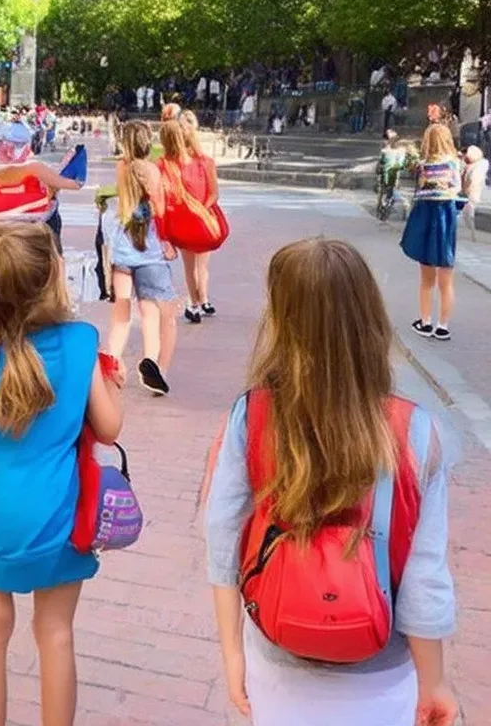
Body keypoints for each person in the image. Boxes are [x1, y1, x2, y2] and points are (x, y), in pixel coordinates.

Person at [204, 238, 456, 726]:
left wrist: (232, 652)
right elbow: (426, 577)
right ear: (370, 318)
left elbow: (222, 540)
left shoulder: (251, 416)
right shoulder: (414, 430)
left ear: (279, 320)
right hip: (380, 667)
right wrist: (434, 682)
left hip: (278, 654)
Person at [0, 221, 123, 726]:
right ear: (53, 276)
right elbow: (108, 429)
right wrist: (118, 386)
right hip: (62, 517)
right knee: (56, 633)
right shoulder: (81, 341)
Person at [105, 121, 176, 396]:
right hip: (150, 248)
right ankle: (152, 361)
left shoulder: (122, 168)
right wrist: (169, 241)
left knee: (121, 308)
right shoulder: (152, 171)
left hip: (123, 244)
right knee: (151, 311)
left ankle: (113, 359)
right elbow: (160, 209)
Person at [400, 123, 462, 341]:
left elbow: (419, 191)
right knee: (446, 279)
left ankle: (425, 322)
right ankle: (443, 326)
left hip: (425, 221)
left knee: (427, 280)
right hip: (446, 222)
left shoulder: (423, 166)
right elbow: (457, 191)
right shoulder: (455, 164)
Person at [159, 117, 221, 324]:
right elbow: (213, 193)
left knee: (193, 266)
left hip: (193, 220)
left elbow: (212, 193)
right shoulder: (203, 162)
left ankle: (197, 302)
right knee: (198, 265)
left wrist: (197, 212)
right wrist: (201, 211)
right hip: (198, 219)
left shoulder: (169, 165)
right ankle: (200, 301)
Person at [461, 145, 487, 242]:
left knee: (470, 212)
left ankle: (473, 235)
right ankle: (472, 234)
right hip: (466, 192)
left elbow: (474, 181)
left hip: (473, 193)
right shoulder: (468, 165)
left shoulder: (480, 166)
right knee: (467, 214)